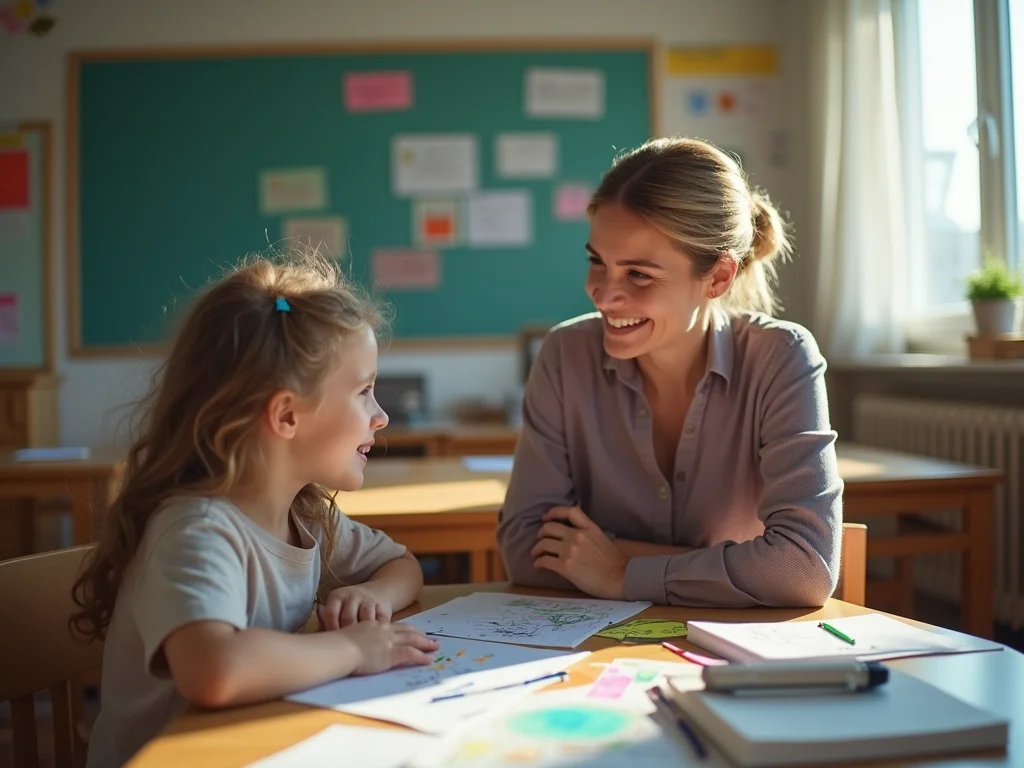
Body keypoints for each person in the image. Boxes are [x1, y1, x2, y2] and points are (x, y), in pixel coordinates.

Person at [71, 250, 438, 767]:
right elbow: (215, 671)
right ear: (287, 415)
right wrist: (356, 649)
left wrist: (370, 593)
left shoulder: (306, 514)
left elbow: (402, 566)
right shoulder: (196, 529)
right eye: (364, 392)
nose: (380, 417)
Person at [496, 137, 843, 609]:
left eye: (638, 274)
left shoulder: (782, 356)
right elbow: (524, 549)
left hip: (728, 652)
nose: (602, 294)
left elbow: (802, 568)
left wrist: (620, 572)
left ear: (718, 278)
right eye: (597, 261)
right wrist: (736, 567)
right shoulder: (564, 354)